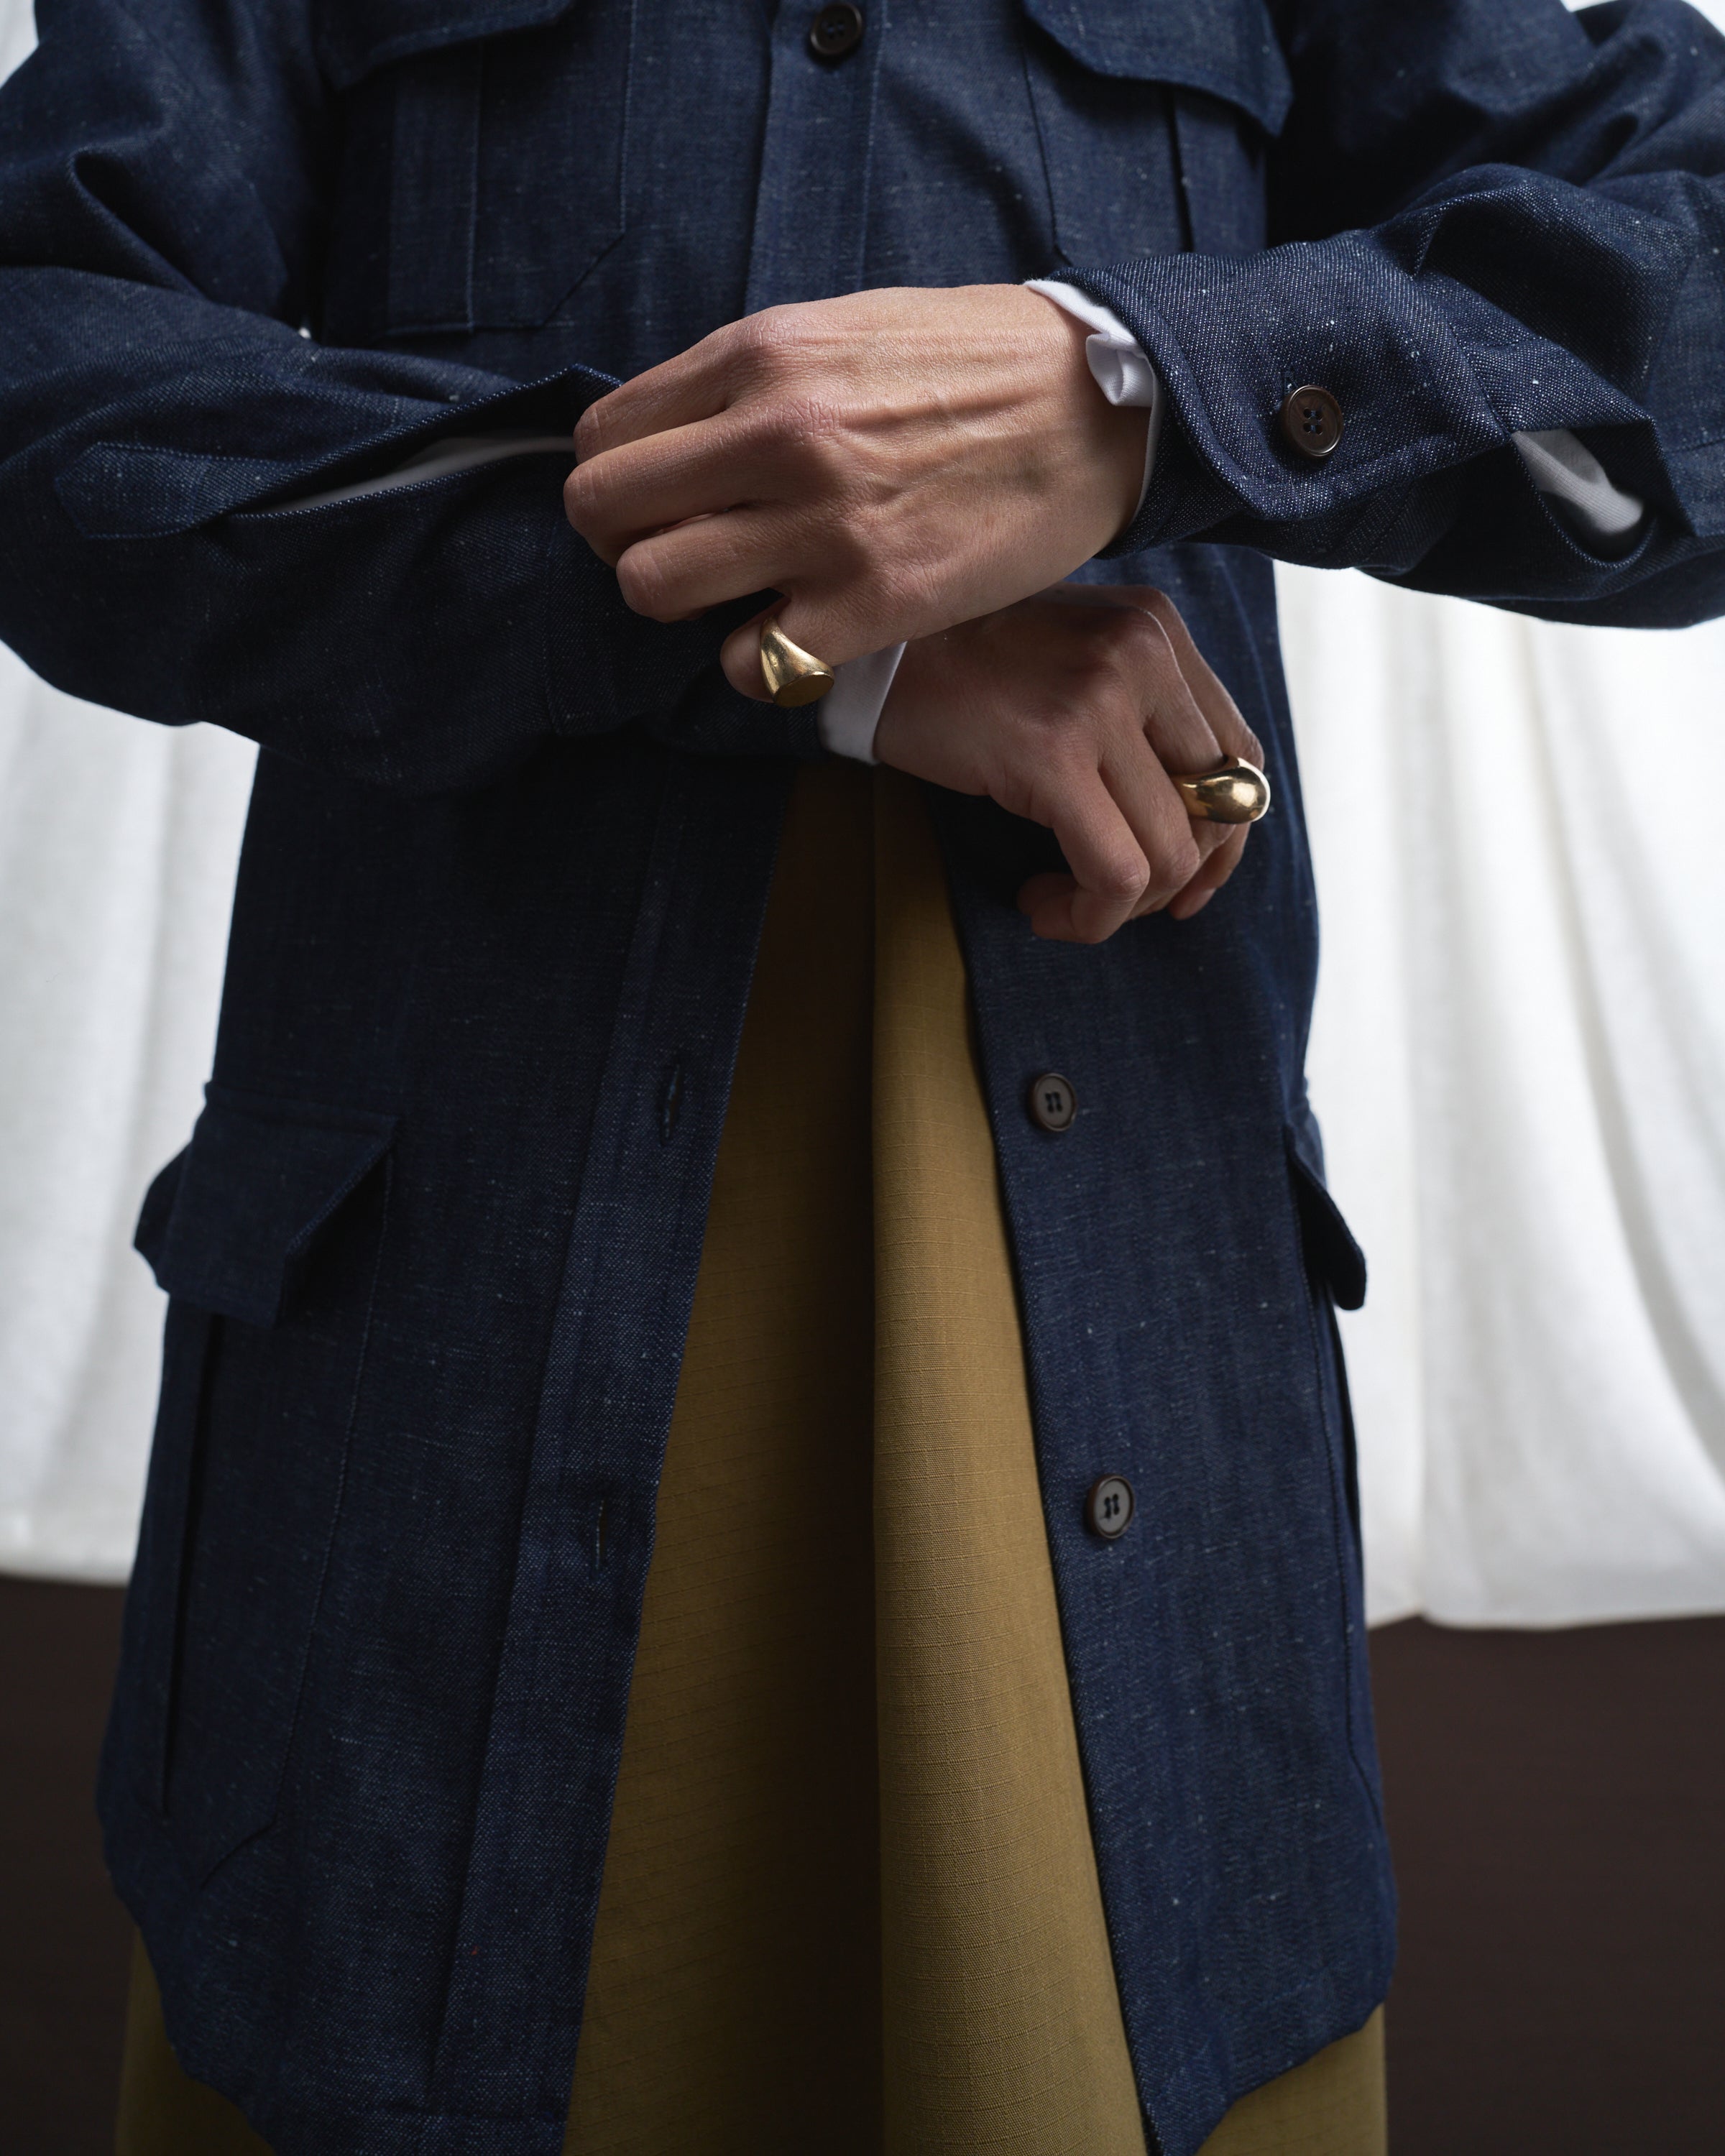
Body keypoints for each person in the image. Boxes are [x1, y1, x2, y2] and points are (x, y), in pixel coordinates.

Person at [1, 1, 1721, 2151]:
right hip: (431, 1418)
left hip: (1133, 1380)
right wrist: (809, 637)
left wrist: (1134, 387)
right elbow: (52, 392)